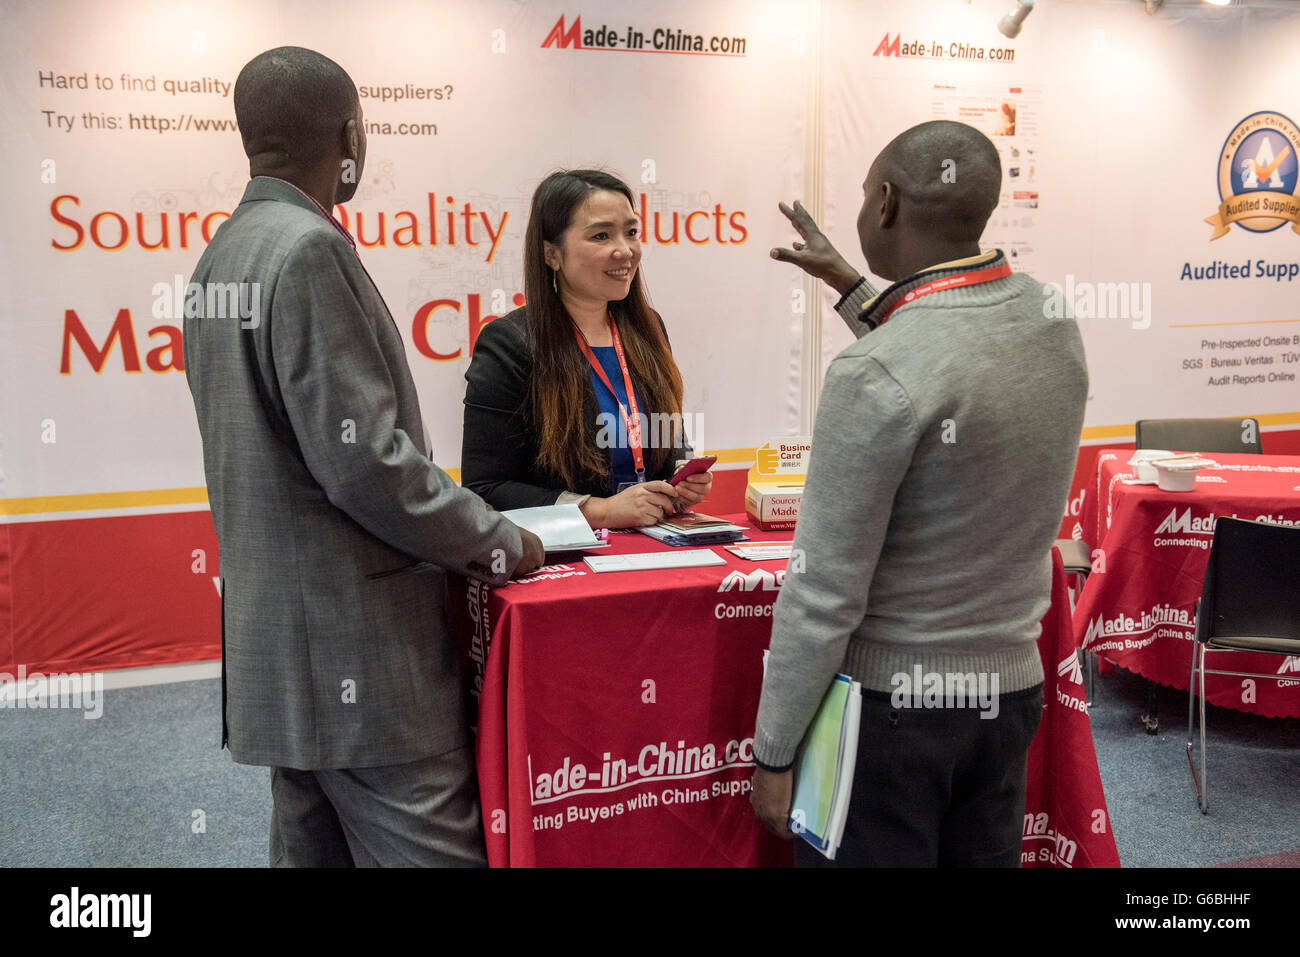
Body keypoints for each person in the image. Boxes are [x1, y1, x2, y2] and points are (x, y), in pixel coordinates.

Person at [183, 46, 544, 868]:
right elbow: (367, 464)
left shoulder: (222, 254)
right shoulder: (308, 250)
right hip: (361, 665)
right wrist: (501, 540)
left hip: (283, 651)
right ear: (350, 133)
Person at [750, 120, 1088, 866]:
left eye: (867, 196)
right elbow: (957, 346)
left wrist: (773, 750)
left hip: (890, 722)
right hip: (1006, 698)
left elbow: (825, 589)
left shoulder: (873, 373)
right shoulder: (1051, 319)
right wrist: (858, 287)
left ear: (887, 203)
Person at [462, 169, 711, 528]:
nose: (624, 250)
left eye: (631, 232)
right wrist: (601, 512)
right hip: (564, 561)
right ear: (551, 254)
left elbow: (665, 441)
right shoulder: (510, 343)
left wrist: (682, 479)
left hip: (654, 546)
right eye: (601, 235)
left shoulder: (648, 328)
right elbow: (485, 488)